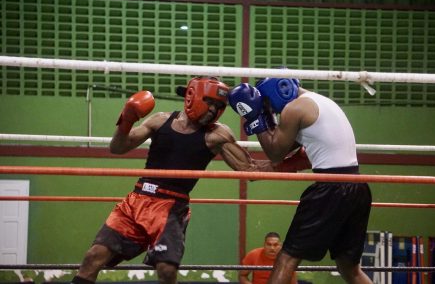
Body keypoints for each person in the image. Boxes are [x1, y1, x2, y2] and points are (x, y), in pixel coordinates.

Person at [71, 76, 285, 284]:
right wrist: (126, 120)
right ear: (192, 96)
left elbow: (250, 169)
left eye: (218, 105)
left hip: (171, 207)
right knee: (93, 257)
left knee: (166, 270)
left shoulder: (217, 135)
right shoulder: (160, 120)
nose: (212, 109)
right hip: (137, 200)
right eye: (209, 101)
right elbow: (117, 147)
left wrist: (295, 161)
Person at [228, 77, 373, 284]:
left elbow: (275, 153)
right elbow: (293, 153)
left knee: (286, 259)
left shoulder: (295, 109)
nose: (273, 112)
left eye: (269, 105)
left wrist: (254, 116)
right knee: (348, 267)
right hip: (357, 187)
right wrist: (261, 169)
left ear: (281, 89)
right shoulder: (320, 103)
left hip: (331, 188)